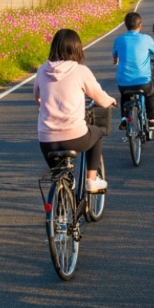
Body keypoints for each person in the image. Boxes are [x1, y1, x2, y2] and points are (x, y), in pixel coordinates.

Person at [35, 29, 116, 192]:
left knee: (58, 178)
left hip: (46, 140)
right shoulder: (80, 71)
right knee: (97, 133)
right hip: (75, 136)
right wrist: (110, 101)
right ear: (77, 48)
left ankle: (58, 205)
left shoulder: (41, 70)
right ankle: (91, 181)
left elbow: (38, 98)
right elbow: (100, 97)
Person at [113, 11, 154, 132]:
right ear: (140, 25)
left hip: (123, 83)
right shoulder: (146, 39)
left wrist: (116, 61)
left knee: (124, 95)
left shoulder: (119, 40)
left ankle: (124, 118)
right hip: (143, 83)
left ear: (126, 25)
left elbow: (115, 57)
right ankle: (151, 120)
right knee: (150, 94)